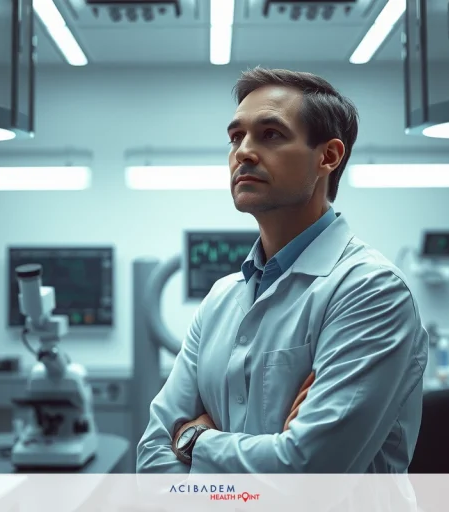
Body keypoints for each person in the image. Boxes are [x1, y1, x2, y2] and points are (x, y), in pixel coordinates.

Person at [136, 67, 429, 474]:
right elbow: (152, 456)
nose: (243, 152)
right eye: (236, 136)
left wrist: (195, 440)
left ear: (327, 156)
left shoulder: (371, 290)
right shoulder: (221, 298)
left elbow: (307, 471)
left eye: (270, 134)